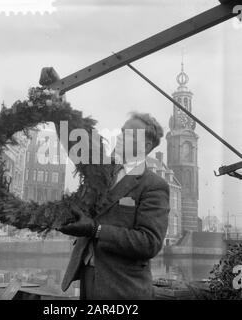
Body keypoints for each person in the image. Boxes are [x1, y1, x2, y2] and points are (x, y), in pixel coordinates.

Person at [39, 67, 170, 300]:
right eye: (121, 131)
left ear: (147, 145)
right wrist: (58, 99)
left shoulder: (154, 185)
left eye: (129, 133)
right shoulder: (103, 170)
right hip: (88, 276)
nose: (120, 136)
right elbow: (75, 141)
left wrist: (95, 230)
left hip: (123, 288)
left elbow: (149, 243)